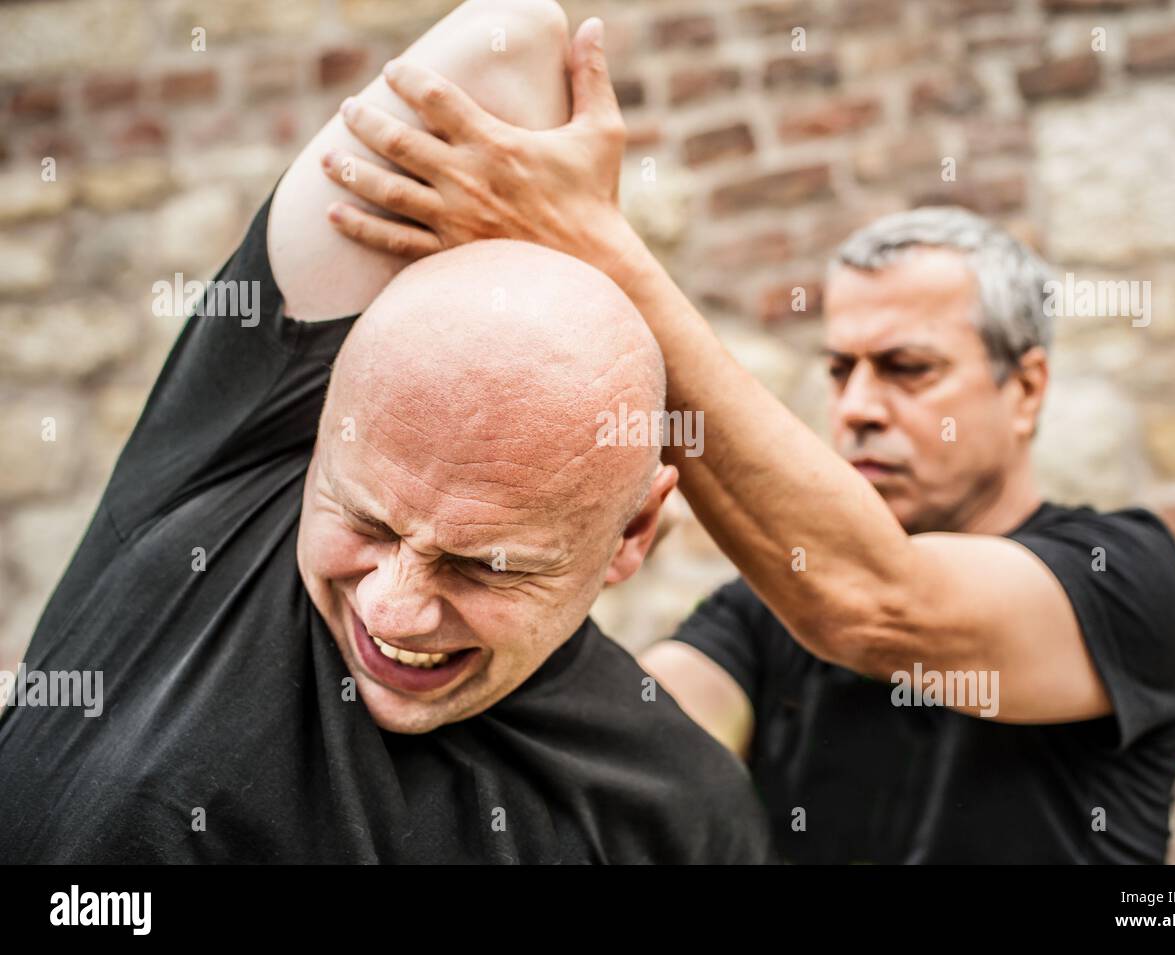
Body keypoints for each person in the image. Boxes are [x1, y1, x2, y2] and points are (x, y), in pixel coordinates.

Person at [317, 8, 1175, 864]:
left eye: (907, 368)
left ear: (1026, 389)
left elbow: (872, 602)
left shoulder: (1123, 573)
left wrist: (598, 245)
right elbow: (638, 745)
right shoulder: (760, 614)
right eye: (840, 368)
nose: (857, 404)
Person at [0, 0, 776, 865]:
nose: (389, 608)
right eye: (365, 523)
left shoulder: (678, 813)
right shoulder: (233, 464)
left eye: (486, 564)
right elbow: (512, 34)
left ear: (634, 530)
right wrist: (583, 228)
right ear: (321, 428)